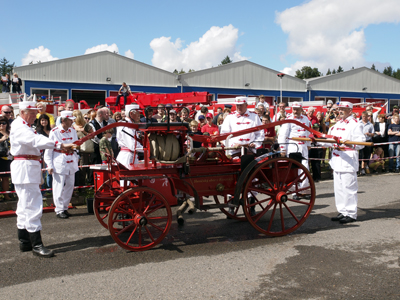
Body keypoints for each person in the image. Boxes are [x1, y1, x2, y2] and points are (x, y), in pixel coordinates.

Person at [11, 100, 74, 258]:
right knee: (33, 205)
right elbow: (36, 141)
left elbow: (36, 139)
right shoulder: (20, 126)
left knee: (25, 205)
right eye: (32, 114)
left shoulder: (23, 125)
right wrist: (59, 145)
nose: (35, 118)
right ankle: (37, 244)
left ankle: (25, 242)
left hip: (26, 166)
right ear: (24, 112)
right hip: (25, 166)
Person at [317, 101, 366, 224]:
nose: (340, 111)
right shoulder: (336, 124)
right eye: (339, 109)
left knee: (349, 188)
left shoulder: (355, 124)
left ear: (350, 111)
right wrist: (318, 140)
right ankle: (342, 211)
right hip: (337, 160)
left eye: (343, 109)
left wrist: (348, 142)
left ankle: (350, 213)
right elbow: (329, 140)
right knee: (339, 188)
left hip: (348, 159)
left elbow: (361, 142)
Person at [44, 111, 79, 219]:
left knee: (70, 185)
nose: (72, 121)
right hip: (59, 160)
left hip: (71, 160)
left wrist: (76, 157)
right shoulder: (54, 131)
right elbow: (49, 150)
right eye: (69, 120)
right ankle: (59, 210)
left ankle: (64, 207)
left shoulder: (73, 130)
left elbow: (76, 144)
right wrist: (49, 165)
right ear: (63, 120)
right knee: (58, 186)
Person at [278, 102, 312, 199]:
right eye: (294, 109)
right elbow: (282, 135)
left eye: (297, 109)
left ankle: (304, 190)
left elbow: (308, 133)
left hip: (303, 146)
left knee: (305, 169)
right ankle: (293, 192)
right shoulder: (288, 119)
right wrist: (283, 148)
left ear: (301, 109)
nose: (295, 111)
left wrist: (309, 144)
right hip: (292, 146)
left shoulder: (306, 119)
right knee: (293, 170)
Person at [116, 104, 143, 170]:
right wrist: (148, 150)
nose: (139, 115)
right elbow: (133, 145)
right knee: (128, 179)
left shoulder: (128, 125)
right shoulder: (127, 126)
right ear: (131, 113)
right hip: (127, 158)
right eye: (137, 113)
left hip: (129, 156)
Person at [35, 114, 52, 192]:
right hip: (42, 154)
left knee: (50, 173)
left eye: (45, 120)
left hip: (51, 153)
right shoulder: (38, 131)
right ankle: (43, 191)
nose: (44, 122)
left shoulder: (51, 131)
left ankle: (50, 189)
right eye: (42, 120)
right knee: (43, 173)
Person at [309, 111, 327, 182]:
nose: (315, 129)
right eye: (314, 128)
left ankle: (318, 177)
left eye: (317, 128)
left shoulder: (321, 134)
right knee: (313, 164)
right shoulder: (311, 134)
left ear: (319, 128)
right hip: (313, 149)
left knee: (317, 164)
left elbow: (324, 141)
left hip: (319, 149)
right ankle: (314, 177)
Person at [0, 116, 12, 201]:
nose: (2, 125)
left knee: (6, 178)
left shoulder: (10, 133)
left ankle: (7, 195)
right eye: (0, 123)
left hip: (9, 158)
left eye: (4, 123)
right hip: (0, 158)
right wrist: (1, 140)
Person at [359, 111, 374, 175]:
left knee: (366, 155)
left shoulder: (370, 124)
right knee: (360, 155)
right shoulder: (358, 123)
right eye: (363, 116)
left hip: (367, 140)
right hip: (360, 141)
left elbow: (373, 134)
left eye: (365, 116)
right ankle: (360, 168)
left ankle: (363, 168)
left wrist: (369, 134)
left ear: (368, 117)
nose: (364, 118)